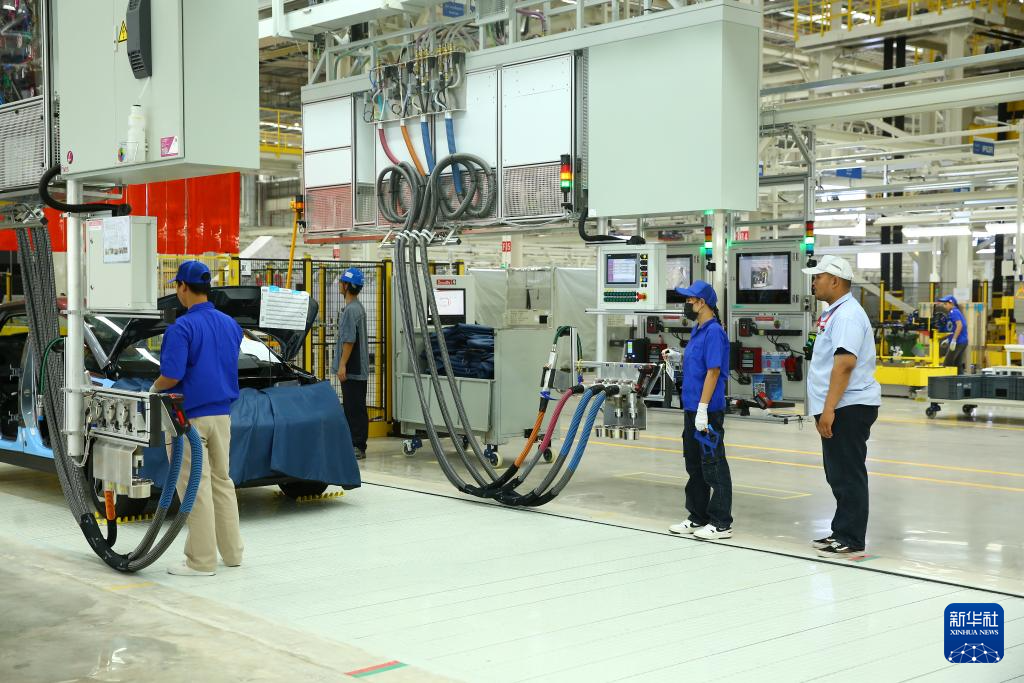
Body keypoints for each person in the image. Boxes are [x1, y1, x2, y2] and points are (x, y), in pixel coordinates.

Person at [151, 261, 244, 577]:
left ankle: (200, 561)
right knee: (222, 481)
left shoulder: (182, 328)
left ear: (182, 287)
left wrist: (153, 390)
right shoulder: (231, 325)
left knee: (195, 486)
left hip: (190, 419)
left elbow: (171, 375)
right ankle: (232, 554)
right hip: (223, 416)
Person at [802, 255, 881, 558]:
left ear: (834, 280)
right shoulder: (835, 313)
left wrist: (829, 409)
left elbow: (845, 364)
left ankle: (851, 538)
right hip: (840, 405)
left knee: (848, 473)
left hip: (847, 406)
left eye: (818, 277)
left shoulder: (847, 315)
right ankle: (841, 531)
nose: (813, 282)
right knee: (838, 473)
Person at [664, 280, 734, 541]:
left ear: (702, 302)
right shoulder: (698, 330)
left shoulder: (714, 331)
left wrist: (704, 409)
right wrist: (677, 357)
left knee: (713, 465)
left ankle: (721, 522)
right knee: (694, 464)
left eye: (690, 300)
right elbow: (699, 362)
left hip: (707, 410)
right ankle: (697, 516)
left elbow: (714, 371)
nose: (687, 305)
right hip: (692, 408)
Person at [333, 267, 369, 460]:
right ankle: (358, 443)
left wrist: (342, 365)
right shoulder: (358, 308)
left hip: (352, 369)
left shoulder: (350, 311)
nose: (340, 285)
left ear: (347, 286)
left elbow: (349, 340)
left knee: (353, 408)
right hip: (358, 368)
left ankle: (357, 445)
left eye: (341, 282)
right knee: (357, 406)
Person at [938, 295, 968, 373]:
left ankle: (945, 383)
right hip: (962, 341)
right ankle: (960, 382)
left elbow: (959, 325)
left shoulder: (954, 312)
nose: (944, 306)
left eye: (945, 304)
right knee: (957, 365)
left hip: (958, 342)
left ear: (951, 303)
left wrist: (953, 340)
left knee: (947, 364)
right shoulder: (954, 312)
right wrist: (949, 339)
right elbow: (954, 328)